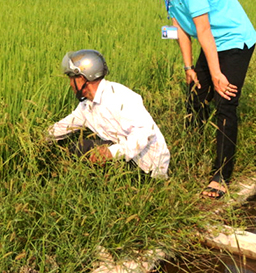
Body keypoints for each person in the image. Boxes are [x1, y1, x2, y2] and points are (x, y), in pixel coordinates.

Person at [116, 0, 256, 199]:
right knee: (196, 98)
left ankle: (221, 176)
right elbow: (180, 28)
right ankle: (192, 151)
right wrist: (189, 67)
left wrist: (217, 75)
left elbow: (202, 30)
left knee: (225, 101)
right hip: (214, 43)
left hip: (234, 40)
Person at [47, 49, 170, 179]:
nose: (70, 84)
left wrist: (111, 152)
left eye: (71, 79)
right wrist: (40, 138)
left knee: (84, 151)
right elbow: (64, 126)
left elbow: (145, 132)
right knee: (79, 148)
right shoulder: (86, 105)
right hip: (126, 157)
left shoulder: (118, 96)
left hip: (147, 167)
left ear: (82, 79)